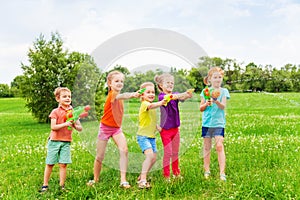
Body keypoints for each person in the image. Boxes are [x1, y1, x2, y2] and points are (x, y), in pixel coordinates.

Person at [87, 70, 140, 188]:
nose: (120, 83)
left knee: (124, 150)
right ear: (110, 83)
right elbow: (122, 95)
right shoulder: (113, 94)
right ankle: (95, 179)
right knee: (100, 156)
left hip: (116, 129)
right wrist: (132, 94)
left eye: (121, 81)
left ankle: (123, 180)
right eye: (117, 81)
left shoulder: (118, 96)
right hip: (105, 128)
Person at [39, 87, 83, 192]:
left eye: (69, 96)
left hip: (66, 142)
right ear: (58, 99)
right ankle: (45, 185)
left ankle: (62, 186)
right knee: (50, 163)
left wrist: (74, 125)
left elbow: (80, 128)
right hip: (54, 141)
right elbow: (53, 127)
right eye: (64, 96)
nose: (68, 98)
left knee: (63, 164)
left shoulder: (73, 112)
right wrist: (65, 124)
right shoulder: (55, 112)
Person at [154, 73, 193, 181]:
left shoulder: (175, 94)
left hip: (175, 129)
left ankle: (176, 172)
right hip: (165, 130)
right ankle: (166, 175)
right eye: (168, 83)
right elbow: (172, 97)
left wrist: (187, 95)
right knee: (168, 153)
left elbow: (180, 98)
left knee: (175, 152)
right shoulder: (162, 96)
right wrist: (182, 94)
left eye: (172, 83)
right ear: (161, 85)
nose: (170, 85)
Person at [199, 66, 230, 181]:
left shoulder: (224, 91)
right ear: (210, 79)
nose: (217, 79)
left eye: (219, 77)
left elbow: (223, 107)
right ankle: (207, 170)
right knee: (207, 147)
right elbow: (201, 108)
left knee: (219, 146)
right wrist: (207, 103)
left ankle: (222, 173)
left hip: (219, 123)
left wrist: (216, 100)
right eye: (215, 77)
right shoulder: (205, 91)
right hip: (207, 123)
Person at [136, 82, 167, 189]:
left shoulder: (152, 107)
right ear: (142, 95)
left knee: (153, 158)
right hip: (143, 137)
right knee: (149, 156)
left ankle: (142, 176)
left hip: (151, 137)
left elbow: (151, 120)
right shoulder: (145, 104)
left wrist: (157, 127)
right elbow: (151, 105)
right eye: (148, 92)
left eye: (153, 92)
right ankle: (143, 181)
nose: (151, 94)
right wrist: (161, 102)